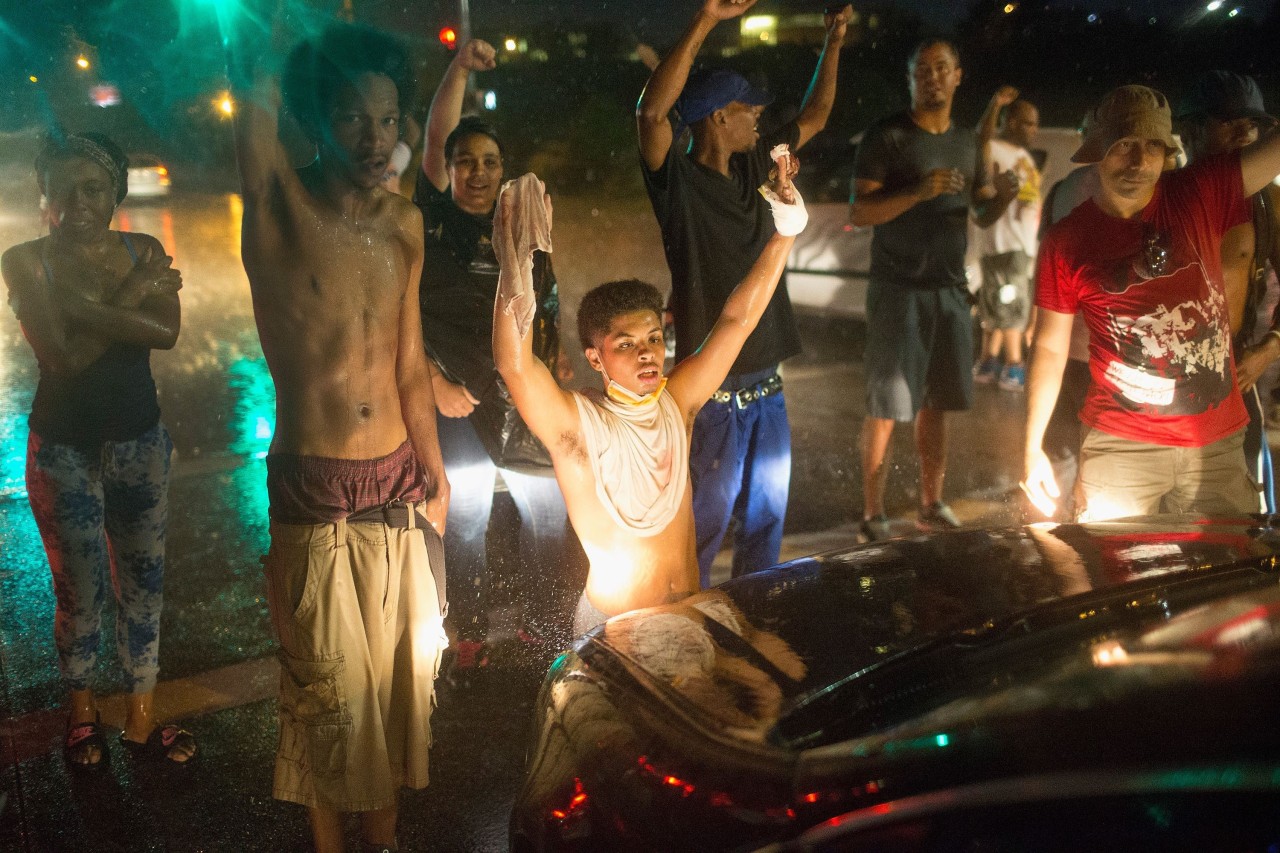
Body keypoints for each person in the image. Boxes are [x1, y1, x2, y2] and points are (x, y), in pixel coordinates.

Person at [230, 20, 449, 853]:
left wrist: (434, 466)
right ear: (317, 121)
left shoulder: (405, 226)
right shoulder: (281, 208)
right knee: (328, 695)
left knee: (398, 685)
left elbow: (409, 362)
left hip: (395, 482)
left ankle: (385, 843)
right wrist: (265, 51)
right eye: (354, 118)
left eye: (389, 120)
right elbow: (254, 117)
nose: (375, 137)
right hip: (313, 487)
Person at [492, 170, 807, 635]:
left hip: (689, 612)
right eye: (626, 344)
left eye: (654, 338)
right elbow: (514, 365)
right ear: (594, 357)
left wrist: (786, 229)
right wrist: (516, 258)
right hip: (617, 628)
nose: (647, 353)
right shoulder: (576, 424)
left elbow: (737, 320)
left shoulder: (676, 402)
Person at [636, 0, 850, 585]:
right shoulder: (676, 184)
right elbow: (653, 112)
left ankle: (758, 625)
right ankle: (687, 636)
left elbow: (820, 111)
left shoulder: (760, 161)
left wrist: (833, 41)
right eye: (747, 108)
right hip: (715, 393)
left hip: (769, 387)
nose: (759, 115)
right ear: (715, 117)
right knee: (703, 527)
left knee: (766, 525)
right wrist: (705, 19)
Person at [1, 132, 194, 768]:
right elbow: (63, 359)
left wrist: (81, 307)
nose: (79, 200)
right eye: (65, 188)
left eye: (93, 187)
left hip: (140, 441)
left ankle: (143, 710)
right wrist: (135, 292)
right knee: (78, 588)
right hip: (63, 450)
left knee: (145, 580)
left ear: (114, 194)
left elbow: (166, 332)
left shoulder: (143, 248)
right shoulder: (26, 260)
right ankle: (82, 710)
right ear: (45, 194)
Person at [1023, 84, 1280, 522]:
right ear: (1097, 151)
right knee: (1119, 576)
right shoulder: (1066, 241)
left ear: (1167, 152)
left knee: (1220, 579)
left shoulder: (1201, 192)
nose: (1139, 163)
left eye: (1152, 147)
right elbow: (1049, 347)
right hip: (1121, 447)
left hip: (1215, 445)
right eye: (1124, 145)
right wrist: (1031, 449)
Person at [414, 38, 573, 657]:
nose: (478, 172)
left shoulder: (520, 226)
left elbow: (548, 301)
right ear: (448, 170)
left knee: (549, 514)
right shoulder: (430, 222)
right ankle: (469, 632)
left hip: (523, 393)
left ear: (504, 172)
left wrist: (554, 364)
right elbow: (434, 137)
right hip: (457, 398)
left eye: (490, 162)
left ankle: (545, 627)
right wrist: (458, 66)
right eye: (465, 161)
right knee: (469, 518)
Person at [850, 39, 1018, 541]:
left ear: (958, 75)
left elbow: (981, 211)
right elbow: (860, 213)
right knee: (886, 406)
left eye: (942, 68)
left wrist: (1004, 197)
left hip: (949, 290)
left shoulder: (968, 141)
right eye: (922, 70)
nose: (933, 77)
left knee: (936, 404)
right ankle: (872, 516)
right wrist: (917, 191)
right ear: (911, 79)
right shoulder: (888, 136)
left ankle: (930, 503)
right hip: (898, 288)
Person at [1176, 71, 1280, 512]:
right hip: (1158, 389)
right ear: (1193, 130)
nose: (1243, 131)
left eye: (1252, 123)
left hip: (1237, 382)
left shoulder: (1269, 204)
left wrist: (1268, 350)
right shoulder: (1158, 194)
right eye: (1228, 119)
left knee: (1240, 525)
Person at [972, 87, 1043, 392]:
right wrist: (995, 105)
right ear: (1011, 122)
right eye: (1028, 123)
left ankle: (989, 360)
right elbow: (980, 139)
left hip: (1021, 245)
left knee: (998, 302)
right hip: (1004, 243)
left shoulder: (1023, 156)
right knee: (1010, 306)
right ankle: (1014, 365)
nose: (1034, 130)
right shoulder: (996, 149)